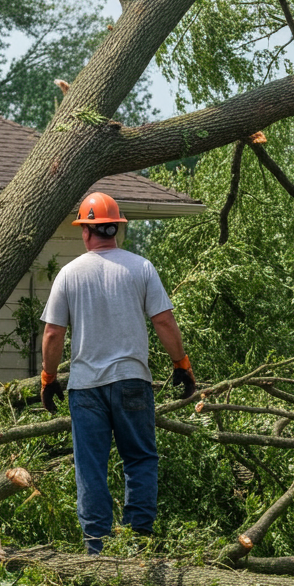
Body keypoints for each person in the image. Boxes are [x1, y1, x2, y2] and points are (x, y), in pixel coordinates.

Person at [39, 192, 194, 554]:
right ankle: (138, 544)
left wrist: (48, 378)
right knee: (139, 459)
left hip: (86, 388)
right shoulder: (141, 268)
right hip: (132, 381)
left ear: (85, 231)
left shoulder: (69, 274)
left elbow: (53, 332)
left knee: (90, 467)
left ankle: (97, 549)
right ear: (117, 228)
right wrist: (181, 364)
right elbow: (164, 320)